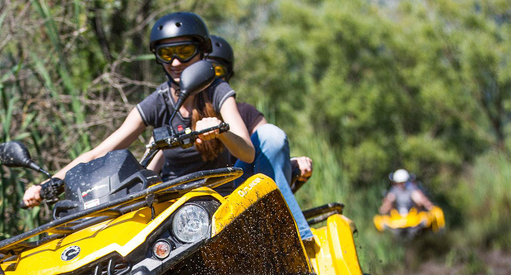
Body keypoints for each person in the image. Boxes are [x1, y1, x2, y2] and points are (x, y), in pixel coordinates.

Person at [23, 12, 254, 208]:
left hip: (217, 196)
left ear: (202, 52)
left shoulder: (217, 91)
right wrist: (48, 184)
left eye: (184, 52)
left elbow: (247, 153)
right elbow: (100, 152)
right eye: (166, 54)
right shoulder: (158, 101)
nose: (175, 62)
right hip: (171, 200)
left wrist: (221, 131)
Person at [206, 35, 314, 241]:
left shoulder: (245, 112)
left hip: (242, 190)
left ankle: (292, 235)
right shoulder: (183, 115)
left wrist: (291, 162)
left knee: (271, 134)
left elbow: (271, 146)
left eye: (216, 72)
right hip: (203, 200)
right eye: (203, 72)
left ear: (228, 75)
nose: (209, 79)